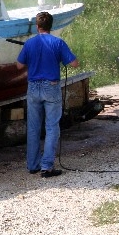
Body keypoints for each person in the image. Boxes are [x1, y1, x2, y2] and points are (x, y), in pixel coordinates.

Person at [16, 11, 79, 178]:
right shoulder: (58, 43)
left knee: (34, 127)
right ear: (51, 26)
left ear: (37, 26)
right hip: (50, 87)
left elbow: (18, 66)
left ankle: (32, 165)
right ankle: (47, 167)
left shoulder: (29, 44)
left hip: (33, 87)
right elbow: (74, 63)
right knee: (51, 127)